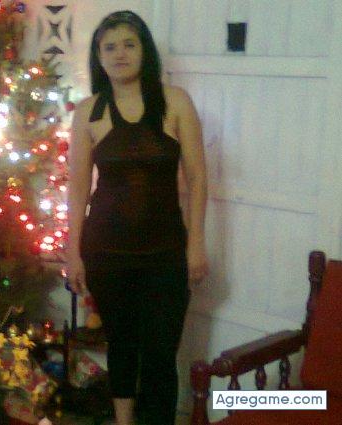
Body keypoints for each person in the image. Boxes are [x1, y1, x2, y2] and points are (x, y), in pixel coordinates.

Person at [67, 10, 209, 425]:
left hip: (166, 252)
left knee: (162, 353)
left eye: (129, 44)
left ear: (144, 50)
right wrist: (72, 251)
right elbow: (77, 188)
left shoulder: (175, 102)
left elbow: (198, 179)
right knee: (122, 344)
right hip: (105, 251)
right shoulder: (88, 111)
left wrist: (196, 245)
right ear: (99, 57)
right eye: (109, 47)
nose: (120, 54)